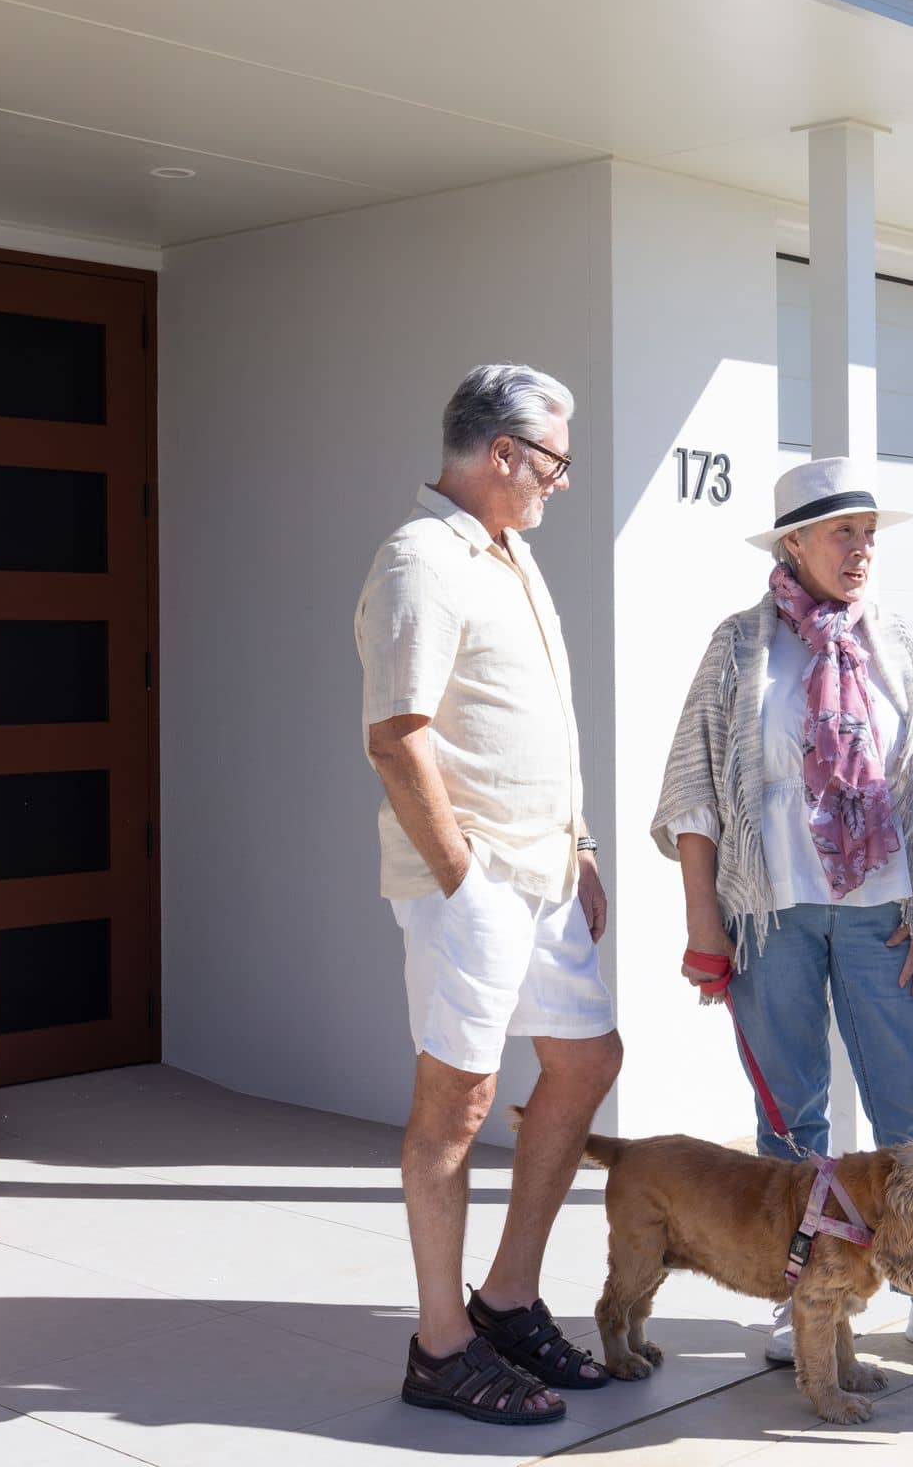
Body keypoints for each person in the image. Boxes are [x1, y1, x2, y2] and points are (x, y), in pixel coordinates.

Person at [652, 456, 913, 1378]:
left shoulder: (900, 643)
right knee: (791, 1120)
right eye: (843, 532)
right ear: (794, 543)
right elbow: (695, 794)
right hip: (771, 913)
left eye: (869, 533)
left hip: (886, 910)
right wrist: (704, 923)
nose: (861, 549)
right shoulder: (740, 645)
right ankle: (801, 1291)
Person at [358, 363, 621, 1428]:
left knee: (588, 1057)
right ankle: (441, 1345)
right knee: (457, 1103)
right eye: (556, 461)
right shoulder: (421, 558)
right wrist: (463, 881)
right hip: (470, 883)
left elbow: (533, 720)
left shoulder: (510, 553)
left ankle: (506, 1300)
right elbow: (396, 733)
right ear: (505, 452)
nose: (563, 482)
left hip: (545, 870)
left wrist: (582, 843)